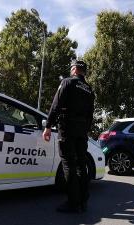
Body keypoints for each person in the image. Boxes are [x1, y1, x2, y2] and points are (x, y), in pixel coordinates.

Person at [42, 60, 94, 213]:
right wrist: (85, 130)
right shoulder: (89, 89)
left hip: (67, 128)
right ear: (83, 72)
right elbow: (90, 114)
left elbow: (56, 105)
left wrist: (48, 126)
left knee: (68, 164)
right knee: (81, 165)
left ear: (74, 69)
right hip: (82, 130)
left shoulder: (68, 82)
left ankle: (73, 202)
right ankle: (83, 200)